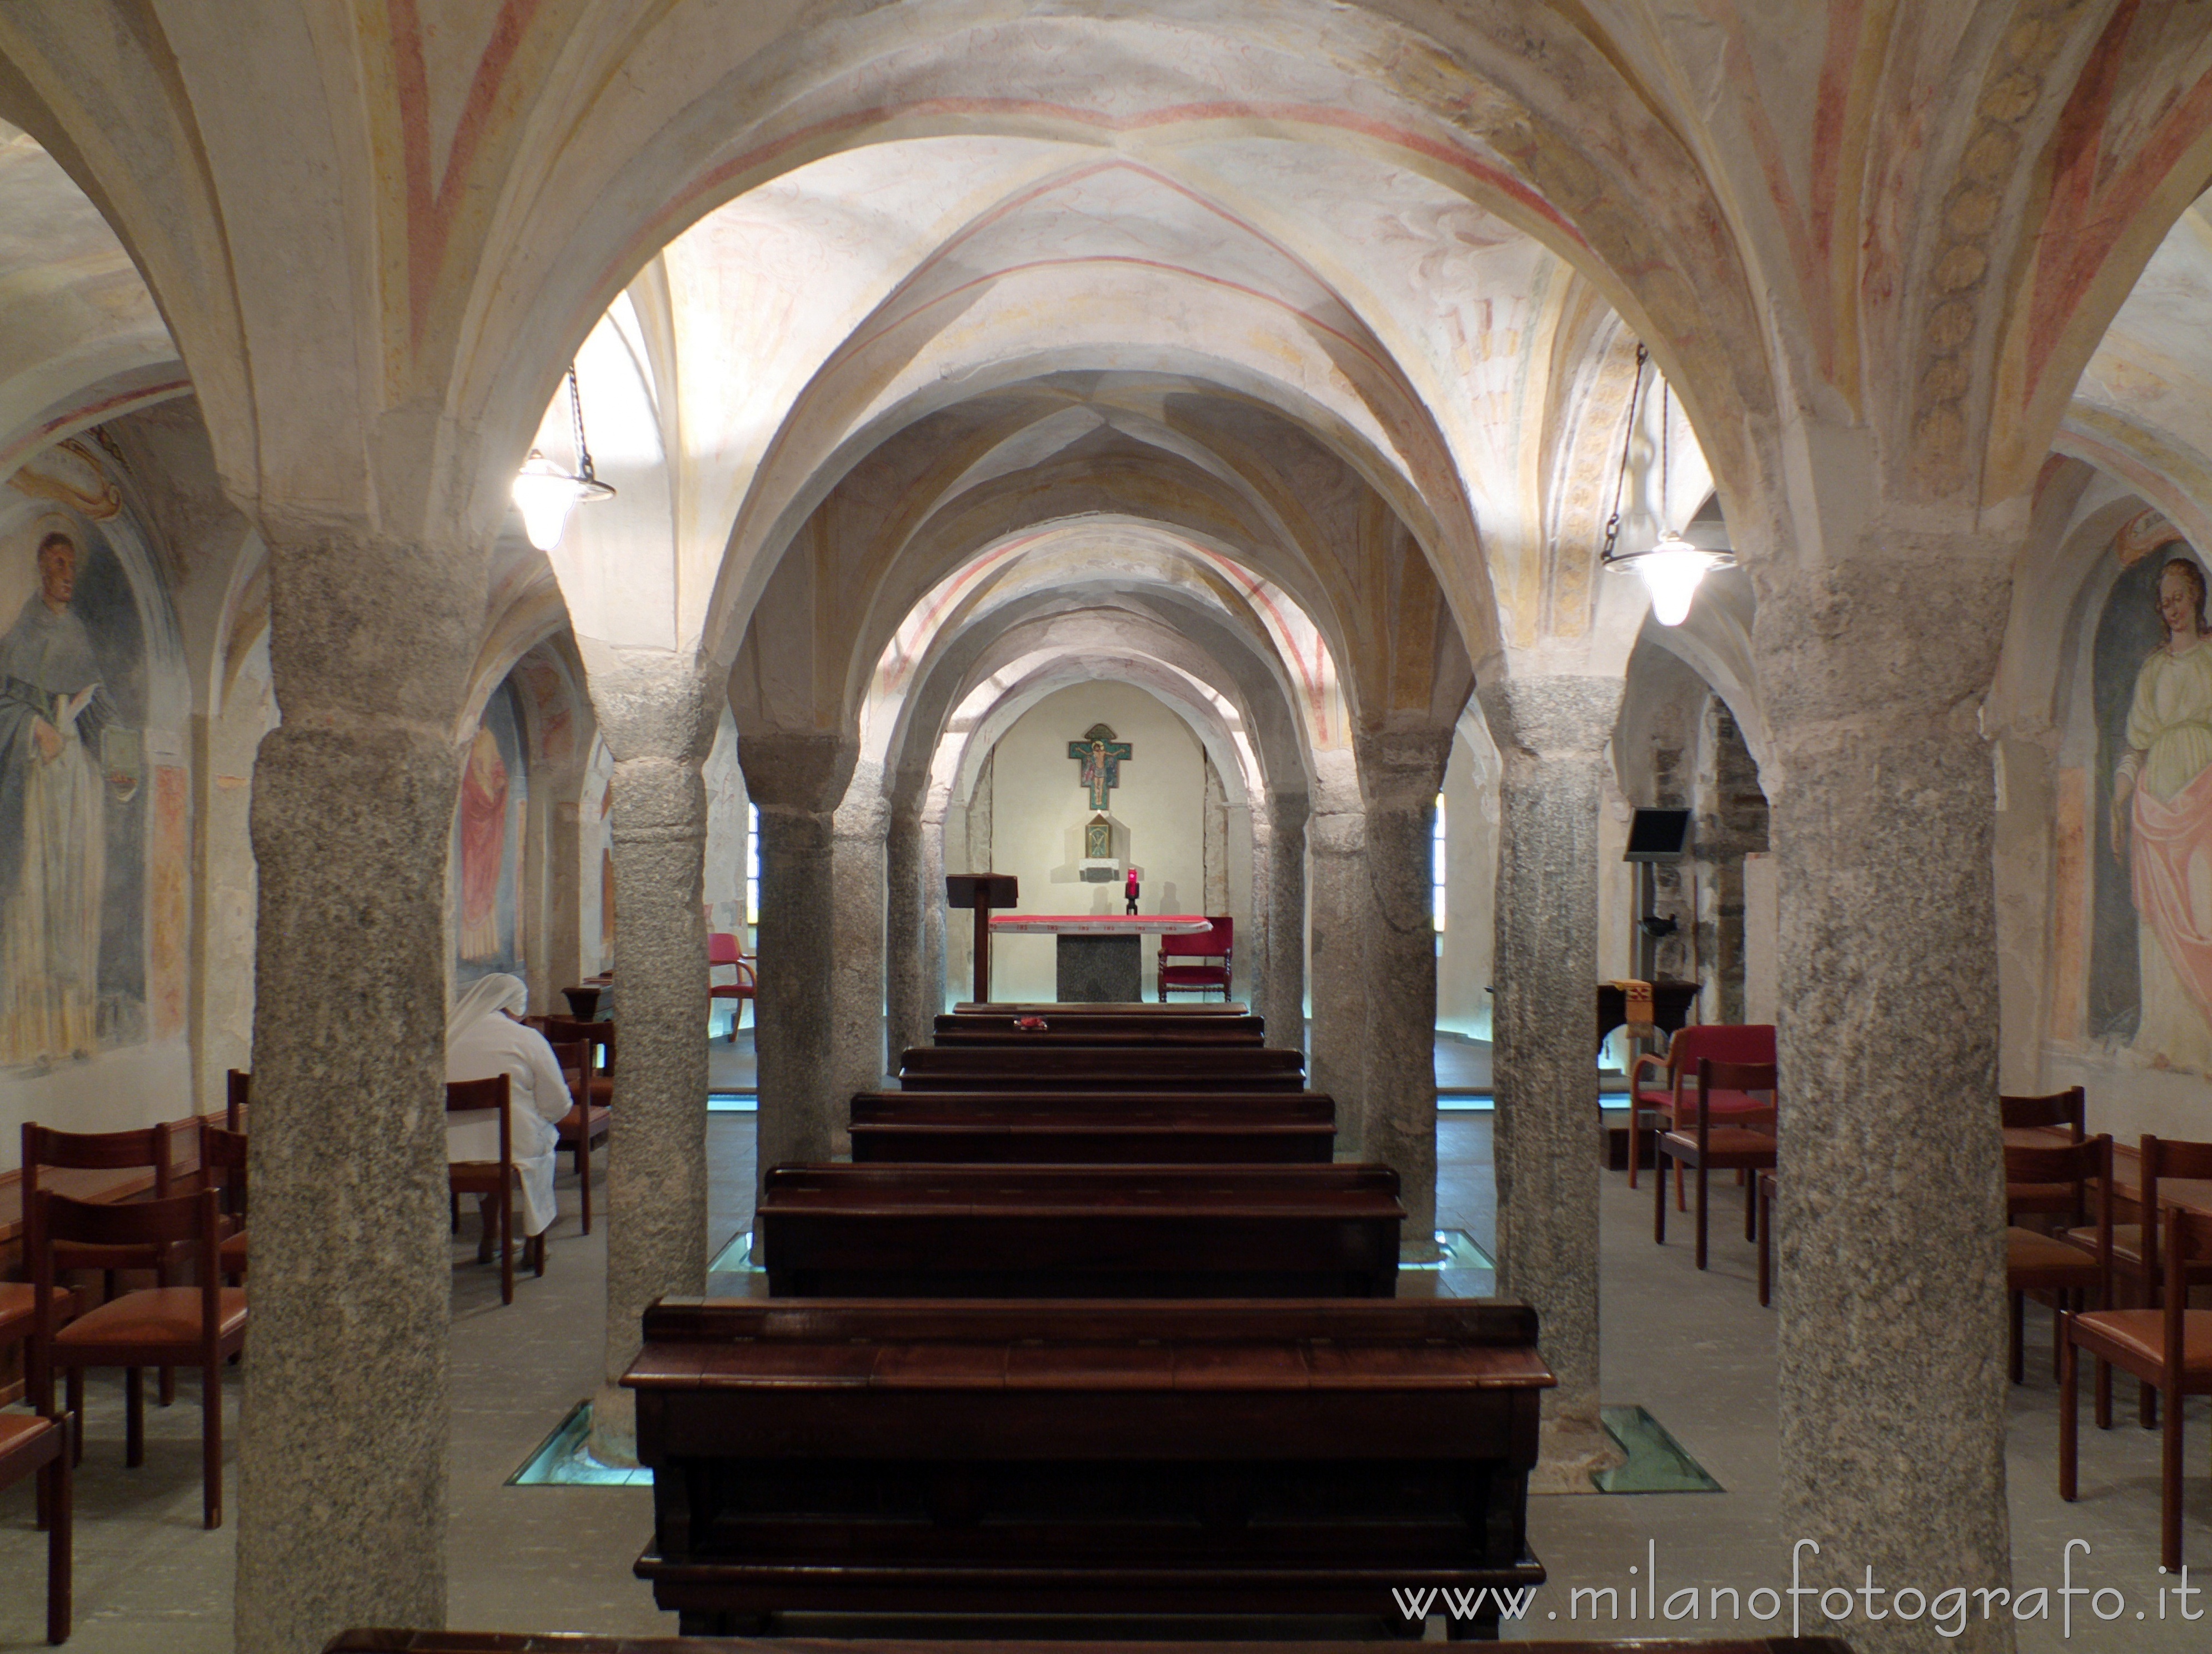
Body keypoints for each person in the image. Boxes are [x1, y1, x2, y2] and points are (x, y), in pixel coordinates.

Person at [0, 527, 135, 1066]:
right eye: (57, 562)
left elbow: (102, 713)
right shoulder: (21, 635)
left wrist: (127, 770)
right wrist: (35, 728)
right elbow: (4, 707)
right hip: (37, 786)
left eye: (71, 564)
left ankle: (74, 1030)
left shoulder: (78, 634)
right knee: (39, 895)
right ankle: (33, 1035)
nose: (66, 572)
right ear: (40, 567)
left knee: (76, 899)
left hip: (77, 788)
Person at [2111, 554, 2212, 1070]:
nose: (2171, 608)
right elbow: (2134, 745)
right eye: (2164, 601)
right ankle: (2167, 1037)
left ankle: (2204, 1038)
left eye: (2178, 597)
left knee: (2204, 906)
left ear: (2196, 595)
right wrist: (2119, 798)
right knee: (2159, 923)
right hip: (2155, 803)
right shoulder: (2153, 667)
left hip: (2205, 797)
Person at [445, 973, 569, 1240]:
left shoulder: (449, 1037)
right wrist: (543, 1118)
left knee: (488, 1139)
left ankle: (492, 1232)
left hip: (450, 1149)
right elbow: (558, 1104)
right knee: (540, 1141)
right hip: (511, 1148)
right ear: (515, 1006)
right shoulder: (526, 1039)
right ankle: (534, 1242)